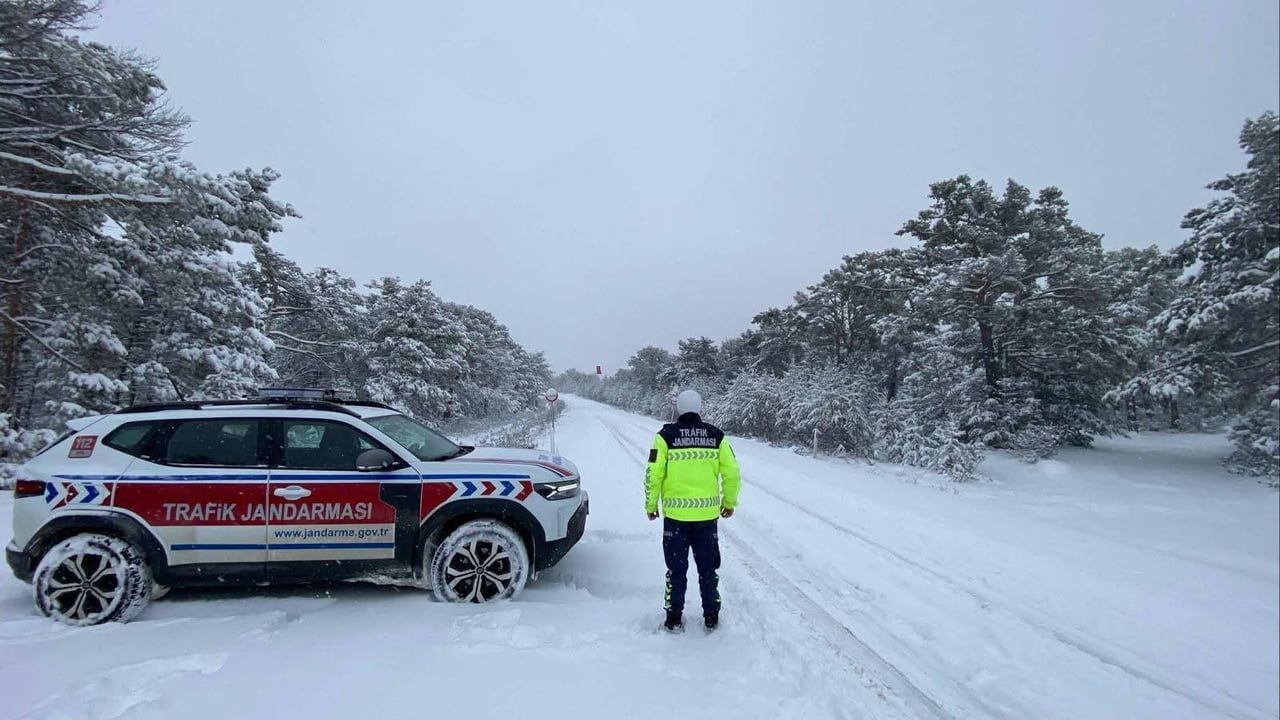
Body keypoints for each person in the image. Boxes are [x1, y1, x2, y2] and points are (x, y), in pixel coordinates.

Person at [645, 389, 741, 632]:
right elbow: (732, 473)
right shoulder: (717, 436)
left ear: (678, 409)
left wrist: (651, 504)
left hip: (675, 519)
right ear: (699, 408)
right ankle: (711, 616)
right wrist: (729, 503)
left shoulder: (664, 436)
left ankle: (674, 618)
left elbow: (653, 474)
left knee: (676, 569)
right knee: (708, 569)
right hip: (707, 519)